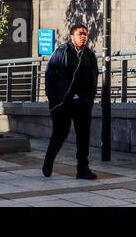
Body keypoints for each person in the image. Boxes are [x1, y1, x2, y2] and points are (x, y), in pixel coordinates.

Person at [41, 23, 98, 179]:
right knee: (60, 133)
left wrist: (90, 98)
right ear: (72, 36)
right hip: (62, 103)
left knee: (83, 136)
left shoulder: (90, 56)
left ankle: (83, 169)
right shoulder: (61, 52)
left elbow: (94, 77)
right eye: (80, 34)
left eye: (85, 34)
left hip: (82, 103)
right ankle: (49, 160)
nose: (83, 37)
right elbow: (49, 76)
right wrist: (53, 100)